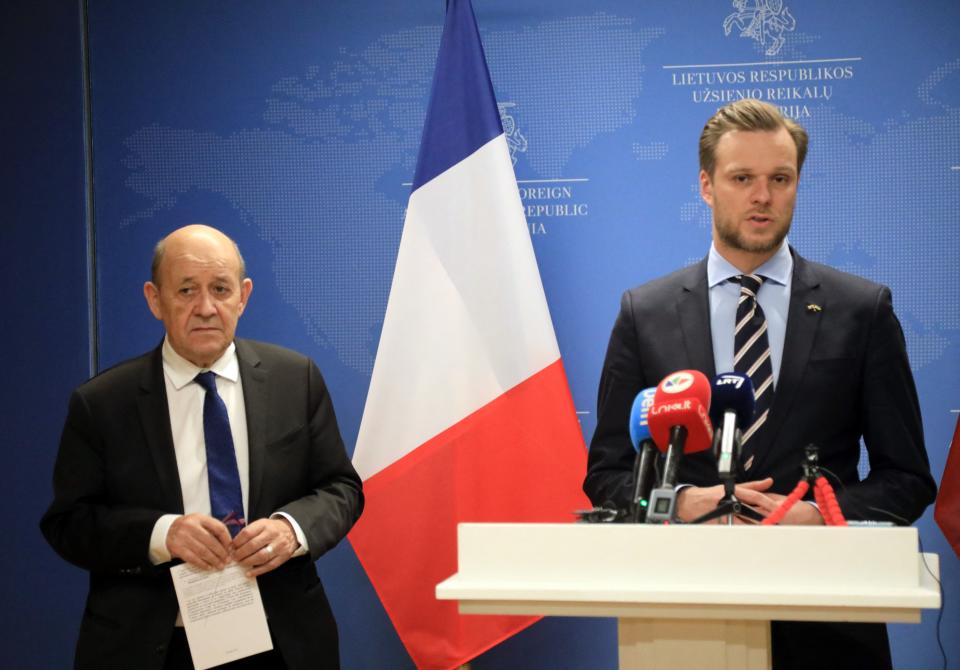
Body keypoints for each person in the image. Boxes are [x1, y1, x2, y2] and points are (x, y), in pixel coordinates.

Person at [583, 99, 936, 668]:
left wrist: (820, 513)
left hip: (829, 622)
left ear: (797, 184)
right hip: (686, 618)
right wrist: (678, 504)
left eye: (780, 178)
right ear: (706, 185)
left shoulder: (861, 310)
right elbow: (607, 476)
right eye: (742, 178)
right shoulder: (644, 312)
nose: (762, 197)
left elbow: (909, 480)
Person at [41, 224, 363, 669]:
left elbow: (341, 488)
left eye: (220, 289)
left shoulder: (296, 379)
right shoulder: (102, 404)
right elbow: (69, 524)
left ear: (243, 296)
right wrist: (163, 534)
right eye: (187, 290)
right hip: (150, 646)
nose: (206, 308)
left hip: (282, 640)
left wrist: (292, 530)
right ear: (155, 299)